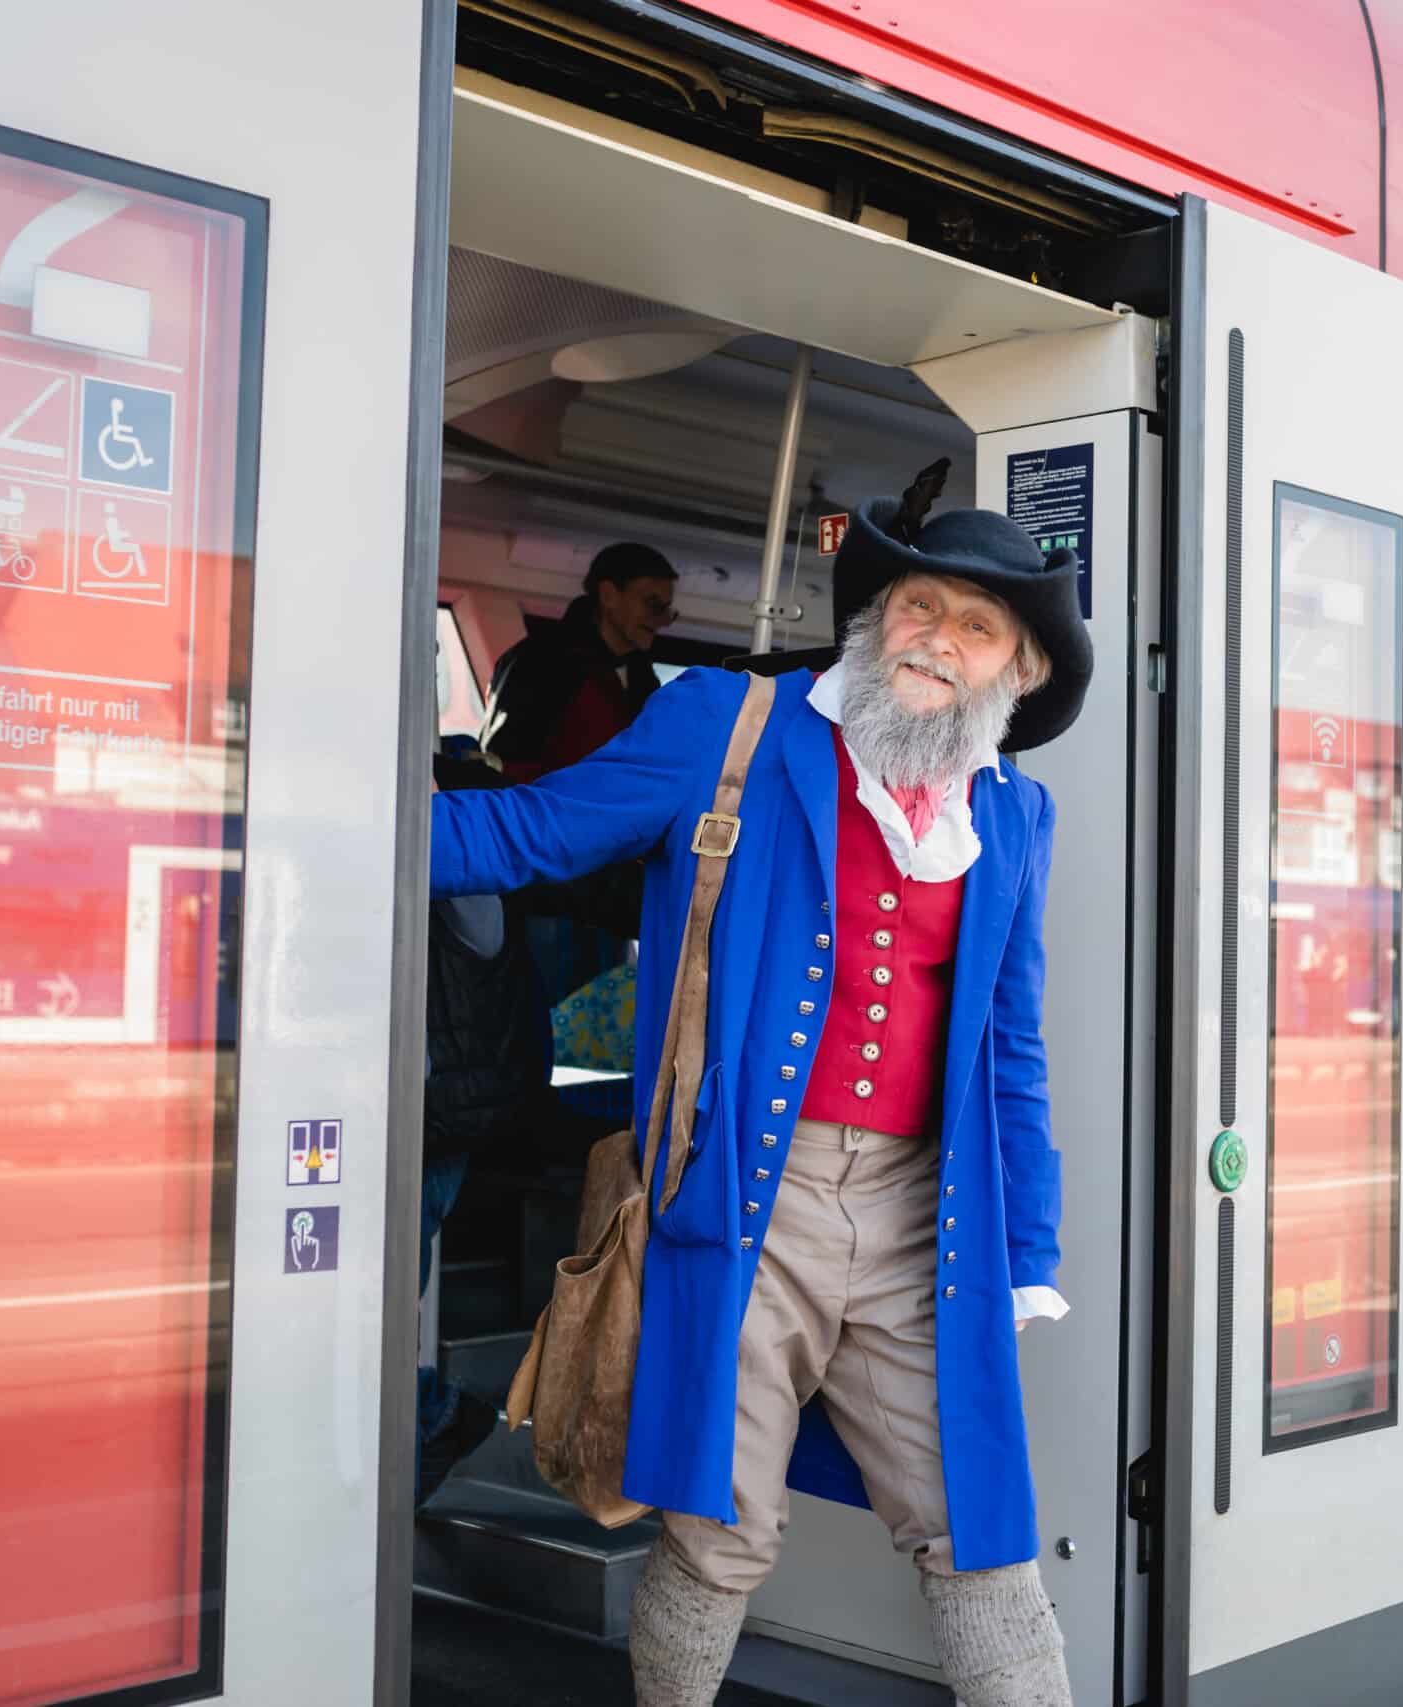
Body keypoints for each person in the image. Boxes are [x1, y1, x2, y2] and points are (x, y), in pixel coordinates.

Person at [430, 485, 1092, 1707]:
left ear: (1023, 668)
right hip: (744, 1196)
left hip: (918, 1223)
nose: (939, 639)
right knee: (717, 1524)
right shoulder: (726, 728)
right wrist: (316, 822)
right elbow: (528, 831)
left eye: (979, 628)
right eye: (918, 605)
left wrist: (1028, 1249)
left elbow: (1010, 1046)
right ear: (875, 620)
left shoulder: (1012, 815)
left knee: (979, 1522)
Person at [415, 738, 568, 1505]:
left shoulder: (447, 839)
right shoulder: (458, 841)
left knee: (378, 1298)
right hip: (433, 1107)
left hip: (432, 1116)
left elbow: (477, 938)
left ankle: (430, 1418)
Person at [482, 541, 679, 781]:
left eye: (667, 609)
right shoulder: (541, 659)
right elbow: (500, 764)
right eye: (652, 604)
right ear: (608, 596)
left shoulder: (644, 680)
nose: (664, 620)